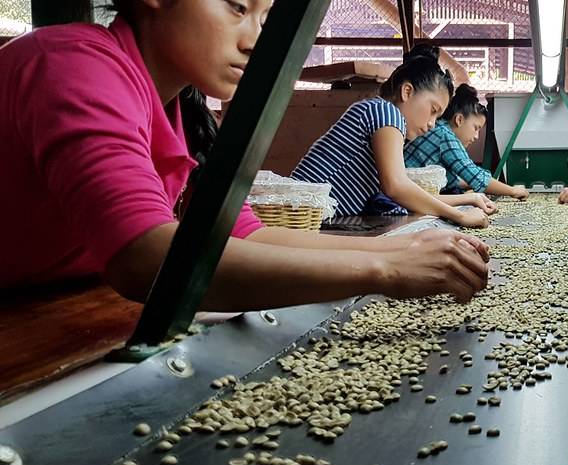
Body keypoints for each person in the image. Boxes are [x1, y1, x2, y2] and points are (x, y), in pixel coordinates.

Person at [0, 0, 490, 307]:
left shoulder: (174, 113)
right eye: (237, 7)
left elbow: (247, 235)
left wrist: (398, 248)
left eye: (265, 18)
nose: (255, 39)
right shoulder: (73, 64)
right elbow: (144, 255)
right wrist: (382, 271)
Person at [291, 45, 493, 227]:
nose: (432, 123)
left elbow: (410, 194)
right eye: (433, 110)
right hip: (296, 217)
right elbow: (397, 188)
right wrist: (461, 217)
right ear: (407, 92)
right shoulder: (386, 114)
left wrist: (470, 199)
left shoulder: (382, 114)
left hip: (308, 218)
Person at [405, 84, 529, 200]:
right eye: (476, 128)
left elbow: (454, 179)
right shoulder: (445, 135)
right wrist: (513, 191)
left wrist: (473, 182)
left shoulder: (440, 128)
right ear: (459, 119)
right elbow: (476, 176)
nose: (476, 136)